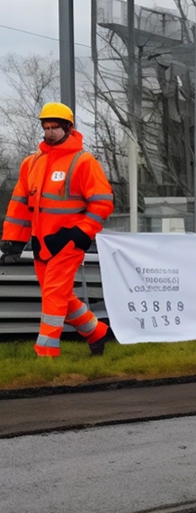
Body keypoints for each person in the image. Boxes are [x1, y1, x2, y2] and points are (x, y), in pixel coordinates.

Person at [2, 102, 113, 357]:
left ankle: (46, 352)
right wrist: (12, 241)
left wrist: (83, 232)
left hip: (69, 242)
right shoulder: (31, 163)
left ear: (68, 128)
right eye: (46, 127)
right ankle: (96, 332)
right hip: (41, 243)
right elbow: (19, 205)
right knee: (60, 295)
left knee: (53, 294)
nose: (49, 132)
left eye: (55, 127)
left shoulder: (83, 161)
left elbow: (103, 202)